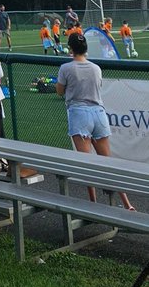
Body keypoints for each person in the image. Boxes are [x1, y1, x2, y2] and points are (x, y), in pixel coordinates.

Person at [56, 32, 134, 210]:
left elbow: (60, 91)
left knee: (87, 164)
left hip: (79, 114)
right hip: (99, 113)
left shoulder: (66, 68)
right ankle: (127, 203)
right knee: (108, 162)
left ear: (71, 48)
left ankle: (93, 204)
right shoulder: (96, 68)